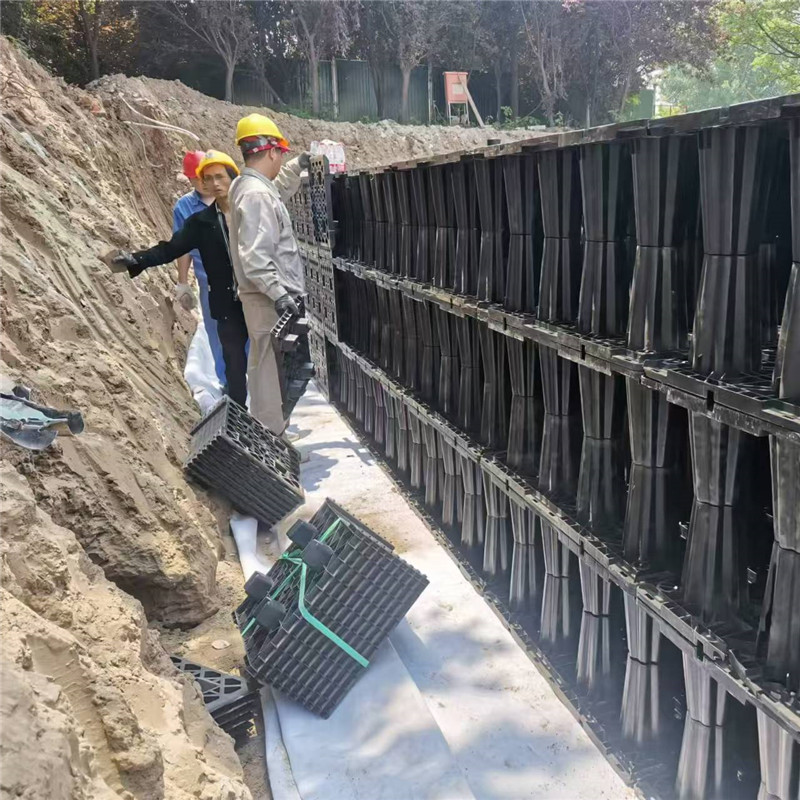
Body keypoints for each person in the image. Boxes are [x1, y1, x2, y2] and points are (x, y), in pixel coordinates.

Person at [104, 151, 249, 406]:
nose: (215, 183)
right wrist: (136, 260)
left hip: (257, 298)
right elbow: (171, 248)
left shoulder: (250, 210)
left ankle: (272, 417)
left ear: (233, 178)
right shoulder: (201, 222)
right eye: (209, 178)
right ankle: (241, 417)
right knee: (234, 364)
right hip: (226, 302)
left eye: (221, 177)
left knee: (266, 361)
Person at [228, 113, 310, 435]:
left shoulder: (247, 186)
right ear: (272, 151)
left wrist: (299, 164)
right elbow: (257, 257)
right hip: (268, 303)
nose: (281, 160)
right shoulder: (256, 195)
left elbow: (276, 190)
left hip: (262, 300)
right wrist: (280, 295)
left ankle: (272, 432)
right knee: (270, 378)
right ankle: (271, 441)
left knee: (268, 372)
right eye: (283, 156)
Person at [174, 149, 228, 390]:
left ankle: (255, 381)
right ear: (191, 180)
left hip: (243, 277)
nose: (205, 184)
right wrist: (183, 283)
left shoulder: (230, 196)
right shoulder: (185, 207)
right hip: (210, 281)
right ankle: (227, 383)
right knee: (217, 333)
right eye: (198, 179)